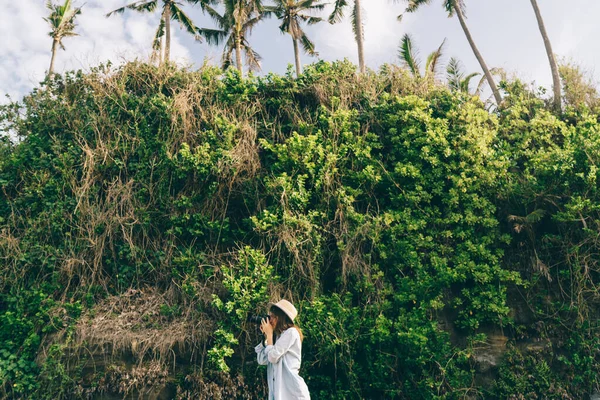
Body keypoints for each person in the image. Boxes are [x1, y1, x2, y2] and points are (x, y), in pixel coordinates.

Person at [255, 299, 310, 400]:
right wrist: (266, 337)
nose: (269, 320)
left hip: (293, 394)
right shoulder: (277, 337)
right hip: (279, 394)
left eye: (272, 317)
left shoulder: (291, 333)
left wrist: (270, 335)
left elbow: (272, 357)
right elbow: (262, 360)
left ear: (280, 318)